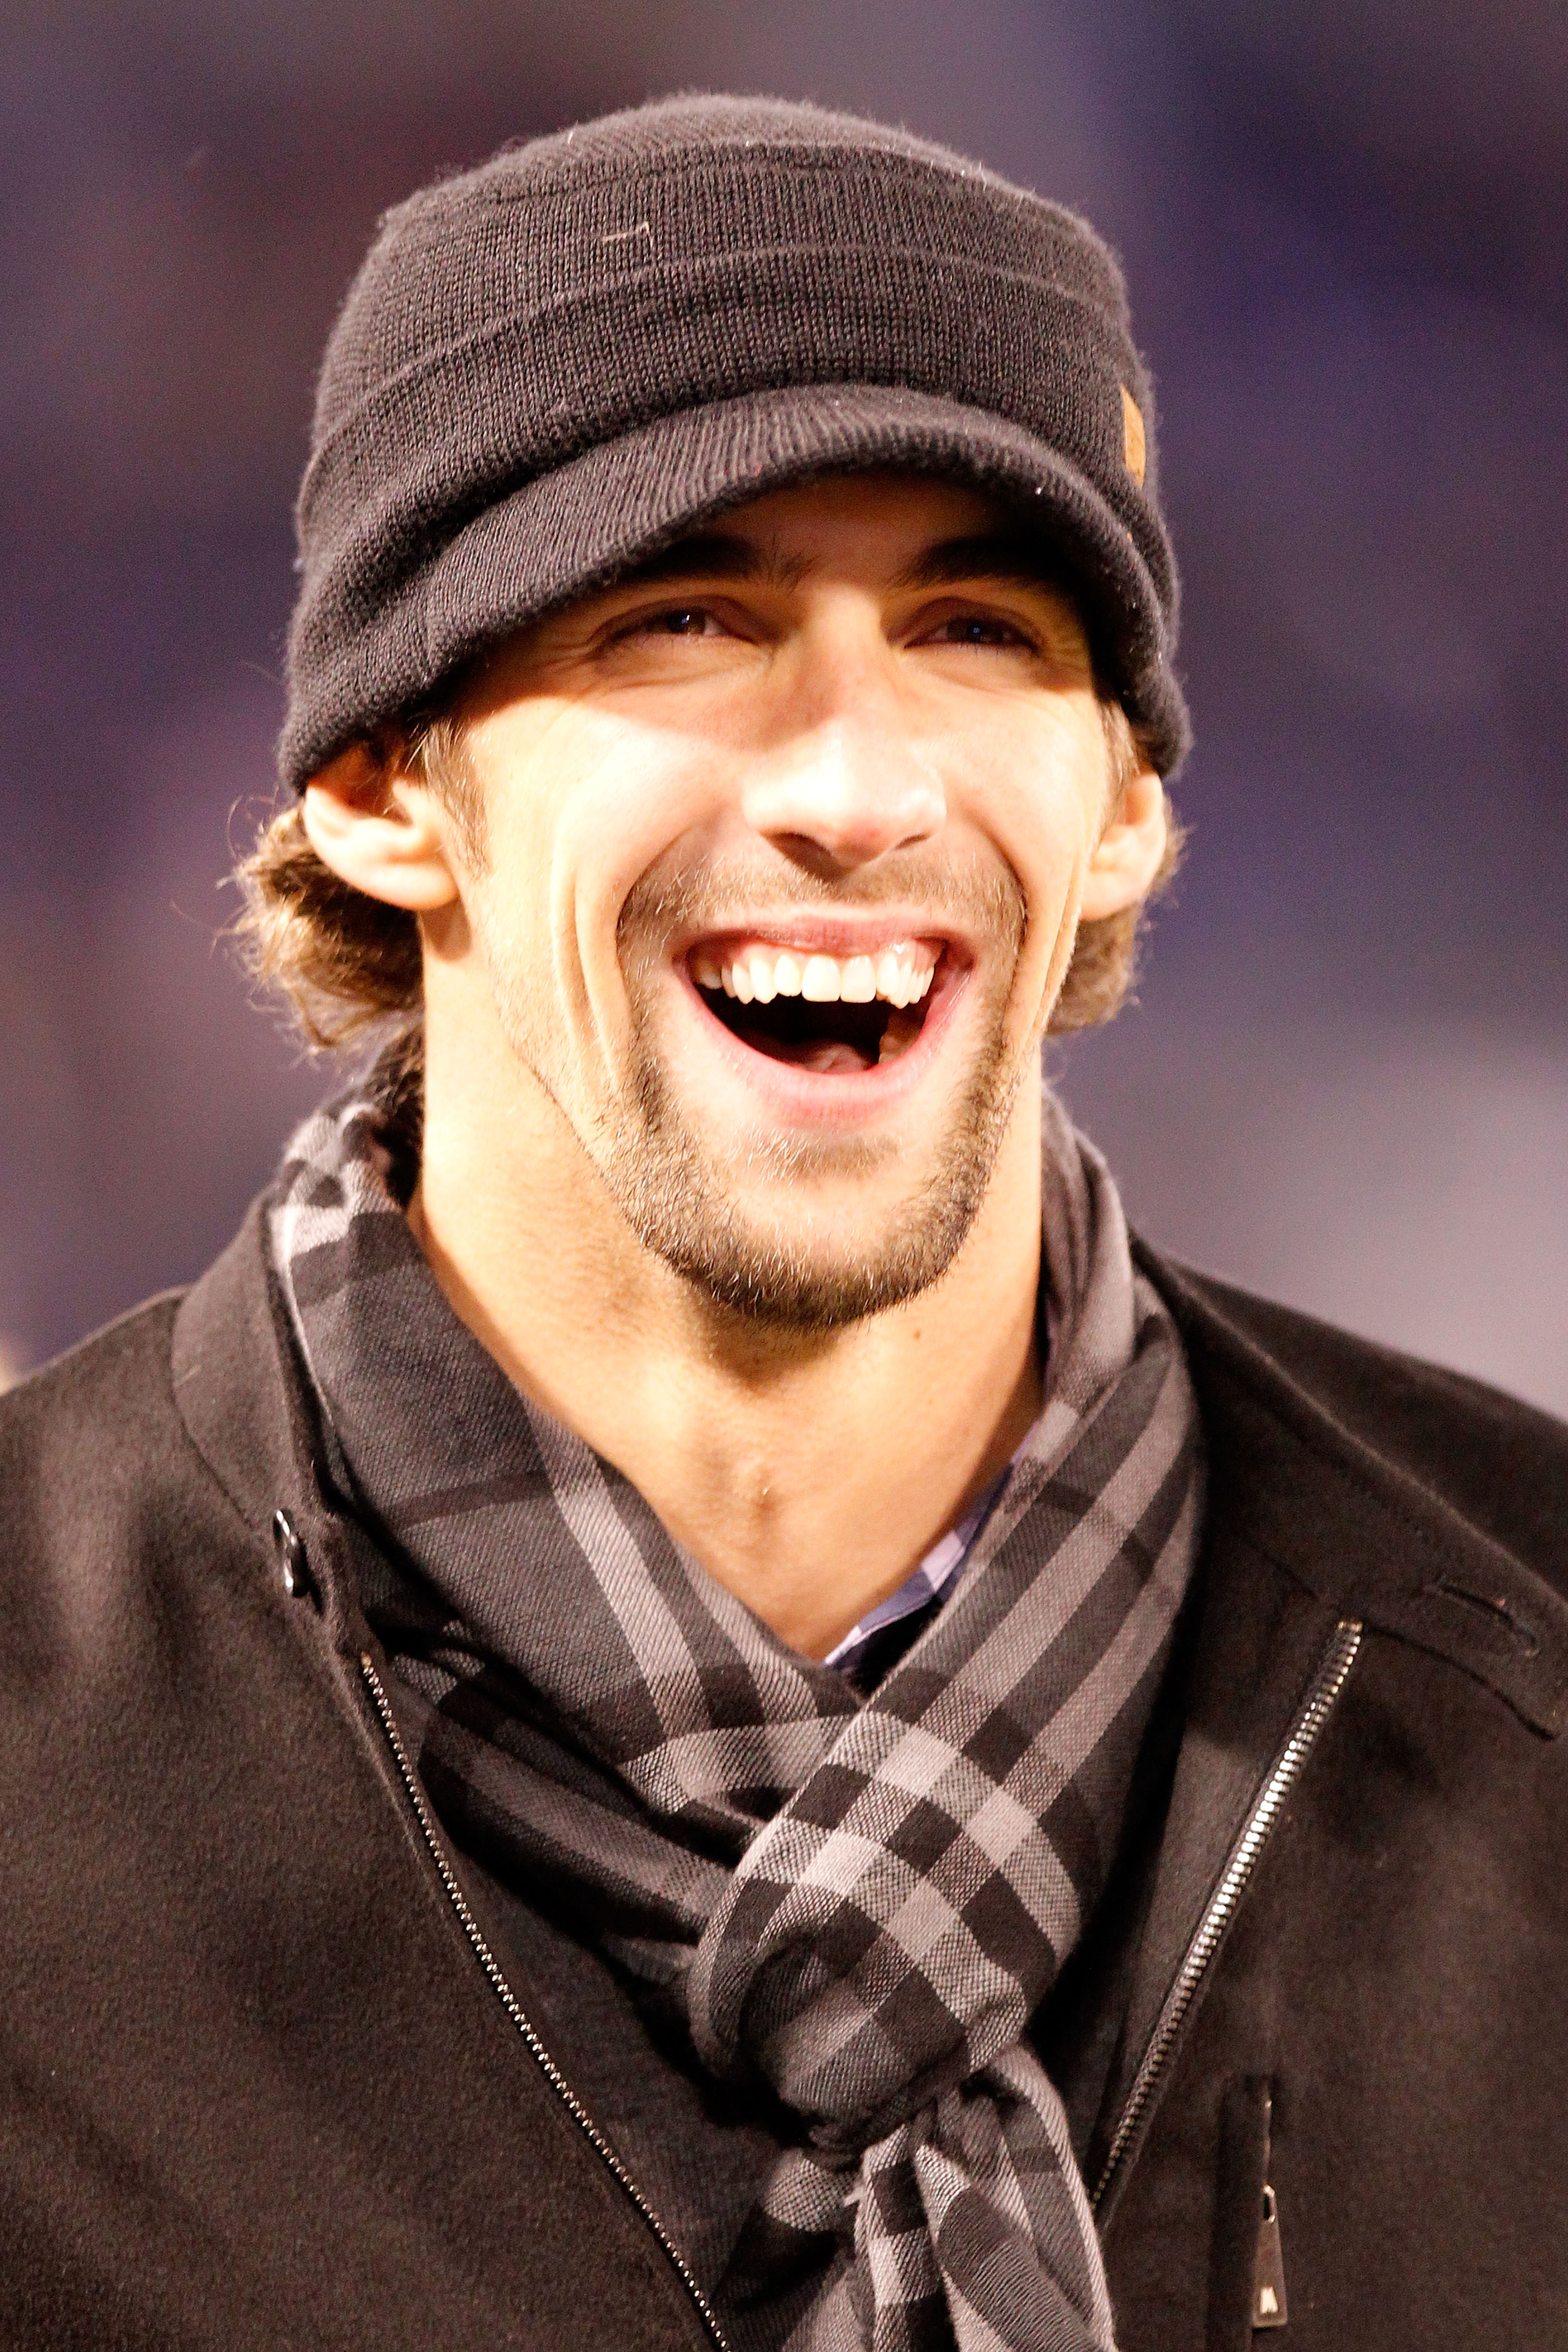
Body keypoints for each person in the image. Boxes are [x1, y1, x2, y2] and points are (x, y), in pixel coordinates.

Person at [2, 94, 1564, 2352]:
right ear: (377, 783)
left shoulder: (1524, 1661)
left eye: (978, 630)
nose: (854, 783)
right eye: (684, 620)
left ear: (1125, 806)